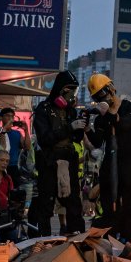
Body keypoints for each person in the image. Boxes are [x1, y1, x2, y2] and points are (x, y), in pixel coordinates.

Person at [88, 73, 131, 242]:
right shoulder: (101, 119)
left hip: (130, 163)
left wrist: (110, 115)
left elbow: (126, 123)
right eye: (98, 97)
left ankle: (130, 240)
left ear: (112, 89)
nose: (104, 99)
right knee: (109, 204)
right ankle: (110, 237)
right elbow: (97, 141)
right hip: (111, 164)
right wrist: (85, 129)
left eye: (104, 94)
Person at [28, 71, 86, 236]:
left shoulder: (70, 111)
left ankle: (77, 239)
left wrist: (81, 126)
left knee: (73, 204)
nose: (71, 94)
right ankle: (42, 240)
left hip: (69, 162)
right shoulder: (43, 109)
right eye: (69, 90)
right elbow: (45, 138)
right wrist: (70, 127)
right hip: (49, 161)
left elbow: (76, 139)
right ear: (61, 89)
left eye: (74, 90)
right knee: (46, 204)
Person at [0, 107, 29, 185]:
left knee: (14, 191)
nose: (10, 118)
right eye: (7, 116)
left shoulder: (17, 133)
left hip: (13, 167)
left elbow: (27, 147)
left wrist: (26, 130)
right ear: (1, 117)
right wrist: (5, 128)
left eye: (12, 116)